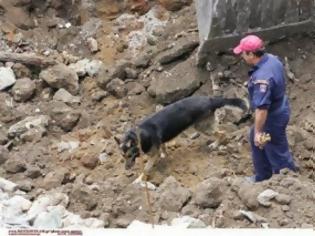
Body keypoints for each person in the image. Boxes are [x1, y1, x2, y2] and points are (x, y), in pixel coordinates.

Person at [233, 35, 297, 182]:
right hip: (280, 105)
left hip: (272, 116)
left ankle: (288, 181)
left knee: (276, 149)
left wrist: (259, 131)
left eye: (243, 53)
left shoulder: (262, 79)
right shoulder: (272, 59)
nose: (242, 56)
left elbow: (262, 110)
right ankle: (262, 176)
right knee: (254, 137)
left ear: (251, 54)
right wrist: (256, 133)